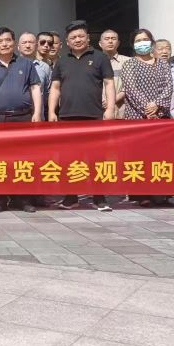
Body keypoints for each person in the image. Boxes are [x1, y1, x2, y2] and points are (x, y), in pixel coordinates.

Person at [48, 20, 116, 211]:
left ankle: (99, 198)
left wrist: (110, 109)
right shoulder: (62, 61)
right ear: (67, 41)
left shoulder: (100, 58)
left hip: (94, 116)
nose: (77, 40)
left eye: (81, 36)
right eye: (73, 37)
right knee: (69, 159)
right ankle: (71, 197)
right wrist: (52, 111)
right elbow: (55, 87)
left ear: (88, 38)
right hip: (67, 117)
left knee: (97, 159)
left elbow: (109, 84)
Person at [0, 27, 42, 213]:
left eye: (7, 40)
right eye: (0, 41)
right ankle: (0, 199)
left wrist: (37, 112)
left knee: (24, 160)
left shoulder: (26, 64)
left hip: (23, 117)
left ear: (14, 42)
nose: (4, 44)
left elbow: (35, 88)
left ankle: (23, 199)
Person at [121, 29, 173, 207]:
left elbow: (168, 87)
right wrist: (147, 107)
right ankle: (141, 194)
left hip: (161, 117)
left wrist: (157, 105)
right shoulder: (129, 64)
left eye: (145, 39)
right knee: (139, 157)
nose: (142, 43)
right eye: (138, 40)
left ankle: (162, 193)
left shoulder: (163, 64)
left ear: (152, 42)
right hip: (137, 117)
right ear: (133, 44)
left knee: (161, 157)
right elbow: (131, 89)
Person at [99, 30, 130, 119]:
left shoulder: (128, 61)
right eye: (107, 39)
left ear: (118, 43)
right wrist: (101, 100)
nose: (110, 41)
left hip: (122, 111)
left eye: (113, 38)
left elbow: (130, 86)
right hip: (98, 109)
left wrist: (112, 100)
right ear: (100, 43)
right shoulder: (93, 62)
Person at [154, 40, 174, 119]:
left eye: (167, 48)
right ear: (153, 52)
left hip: (173, 117)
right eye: (160, 49)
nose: (164, 51)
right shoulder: (147, 71)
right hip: (153, 117)